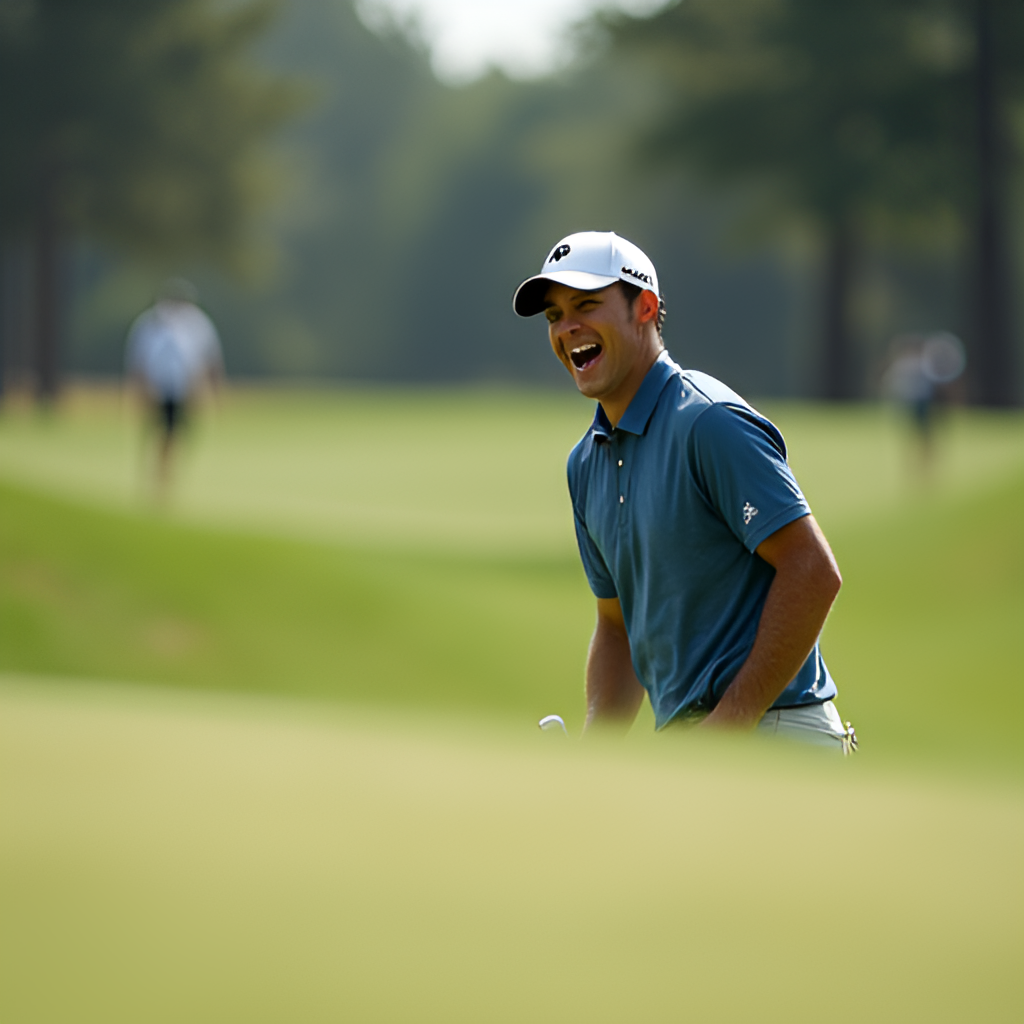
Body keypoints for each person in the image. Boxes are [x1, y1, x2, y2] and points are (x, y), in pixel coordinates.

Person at [513, 231, 855, 751]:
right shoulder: (585, 464)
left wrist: (729, 723)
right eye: (555, 316)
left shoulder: (707, 422)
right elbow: (616, 626)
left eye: (586, 305)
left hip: (773, 731)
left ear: (644, 307)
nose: (568, 328)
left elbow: (812, 571)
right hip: (698, 743)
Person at [125, 278, 224, 494]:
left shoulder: (197, 323)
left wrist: (212, 391)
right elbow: (139, 360)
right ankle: (160, 476)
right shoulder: (149, 324)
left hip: (184, 389)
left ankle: (166, 474)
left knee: (179, 433)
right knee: (160, 432)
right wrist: (140, 389)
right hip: (158, 387)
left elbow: (209, 359)